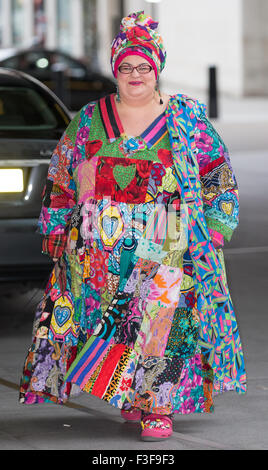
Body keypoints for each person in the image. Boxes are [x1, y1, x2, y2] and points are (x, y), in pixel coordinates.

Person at [19, 11, 246, 441]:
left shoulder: (187, 117)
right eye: (126, 67)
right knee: (111, 326)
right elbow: (62, 172)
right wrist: (54, 223)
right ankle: (130, 392)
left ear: (156, 68)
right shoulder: (89, 119)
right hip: (99, 246)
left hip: (167, 239)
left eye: (144, 66)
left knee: (160, 321)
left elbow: (217, 172)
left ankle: (158, 404)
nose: (135, 74)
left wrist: (216, 225)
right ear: (115, 70)